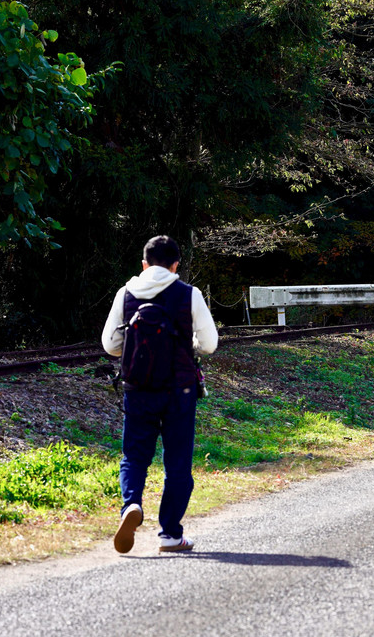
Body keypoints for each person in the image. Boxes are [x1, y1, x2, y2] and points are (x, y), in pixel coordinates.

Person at [101, 235, 218, 553]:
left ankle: (131, 506)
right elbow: (208, 345)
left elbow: (110, 346)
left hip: (138, 389)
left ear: (144, 264)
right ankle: (169, 534)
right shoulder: (188, 294)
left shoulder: (125, 293)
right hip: (179, 390)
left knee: (134, 457)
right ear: (176, 264)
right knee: (177, 463)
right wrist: (188, 344)